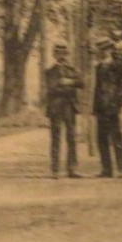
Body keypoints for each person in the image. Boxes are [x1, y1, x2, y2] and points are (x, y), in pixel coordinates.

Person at [93, 39, 122, 178]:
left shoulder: (117, 66)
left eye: (105, 50)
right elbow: (97, 88)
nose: (102, 53)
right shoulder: (98, 67)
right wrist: (95, 106)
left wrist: (120, 99)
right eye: (100, 50)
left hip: (112, 105)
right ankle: (106, 169)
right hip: (100, 106)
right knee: (101, 138)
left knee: (116, 136)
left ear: (110, 50)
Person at [44, 42, 82, 177]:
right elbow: (53, 88)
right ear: (54, 55)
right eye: (58, 53)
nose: (61, 56)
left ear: (67, 55)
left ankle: (72, 169)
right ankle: (55, 169)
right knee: (56, 137)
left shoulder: (72, 69)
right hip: (55, 107)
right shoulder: (50, 71)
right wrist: (68, 84)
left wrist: (69, 82)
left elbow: (81, 82)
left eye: (64, 53)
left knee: (71, 137)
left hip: (70, 107)